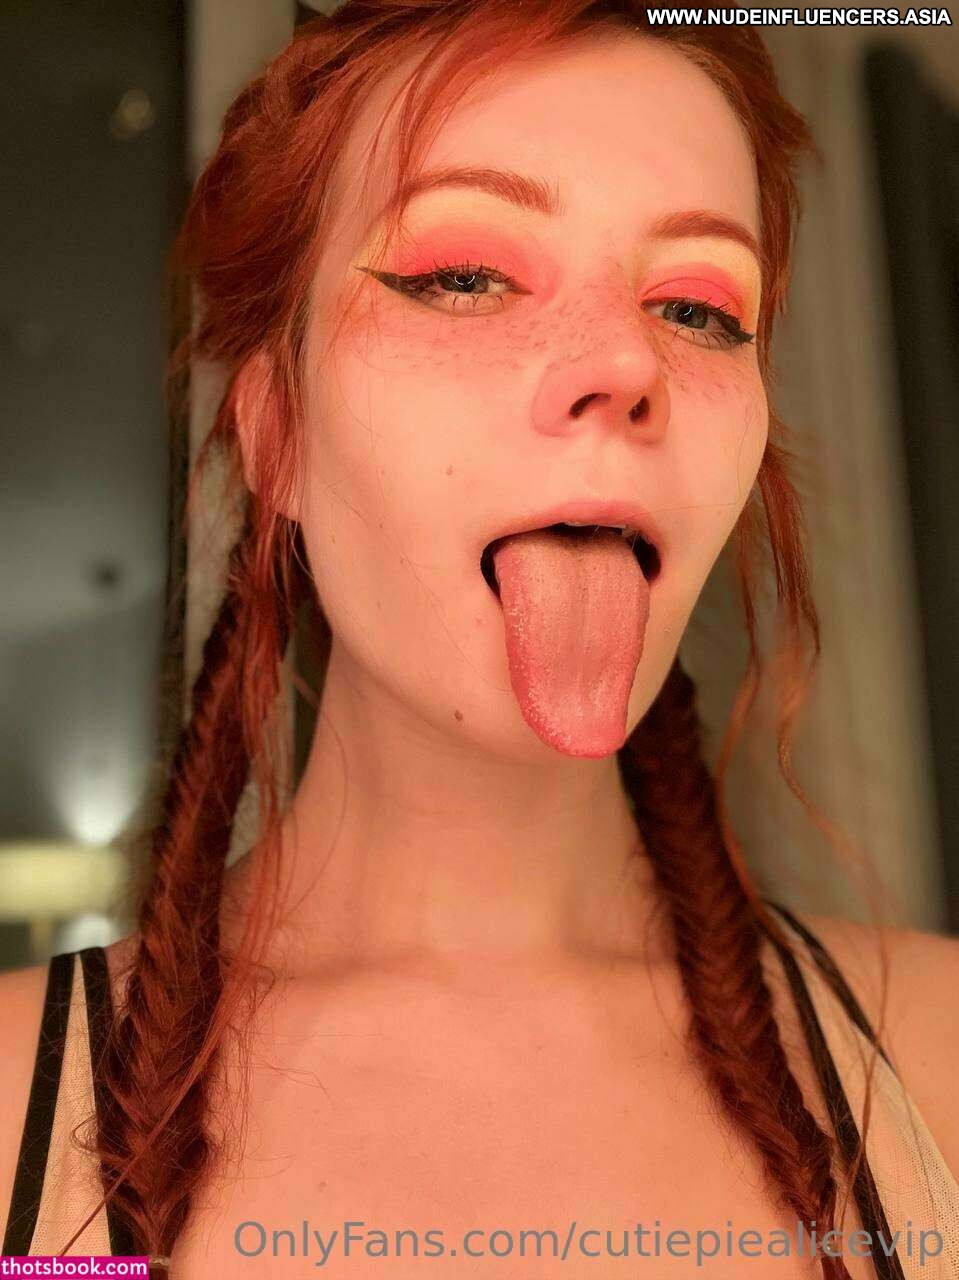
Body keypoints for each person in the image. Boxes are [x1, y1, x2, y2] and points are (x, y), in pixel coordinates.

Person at [2, 3, 957, 1277]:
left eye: (695, 306)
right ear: (278, 431)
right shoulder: (10, 1102)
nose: (624, 362)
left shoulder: (938, 1059)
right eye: (462, 276)